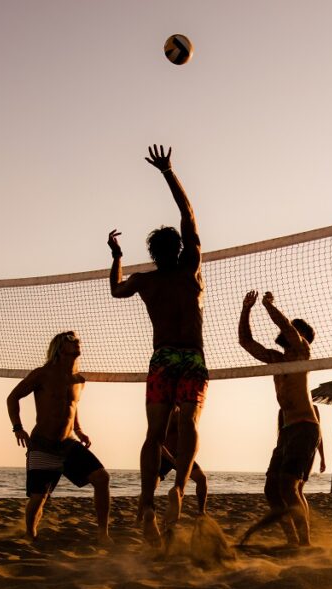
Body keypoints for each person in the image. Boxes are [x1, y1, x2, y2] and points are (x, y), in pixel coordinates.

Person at [107, 144, 206, 545]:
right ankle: (179, 488)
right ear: (179, 248)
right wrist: (168, 172)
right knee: (189, 423)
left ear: (152, 253)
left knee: (154, 434)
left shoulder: (145, 280)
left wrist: (117, 255)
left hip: (163, 358)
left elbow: (116, 290)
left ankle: (146, 502)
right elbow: (188, 214)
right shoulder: (190, 267)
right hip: (192, 356)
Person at [6, 331, 112, 543]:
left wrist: (79, 430)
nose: (76, 342)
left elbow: (72, 407)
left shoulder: (79, 380)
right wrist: (17, 428)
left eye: (77, 340)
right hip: (43, 444)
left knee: (102, 478)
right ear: (59, 348)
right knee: (39, 497)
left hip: (68, 444)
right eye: (70, 340)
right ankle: (30, 533)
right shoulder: (42, 374)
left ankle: (103, 534)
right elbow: (13, 397)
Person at [237, 290, 319, 547]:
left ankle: (304, 543)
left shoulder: (302, 352)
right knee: (272, 490)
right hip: (286, 430)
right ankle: (292, 540)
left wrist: (268, 305)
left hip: (305, 426)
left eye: (293, 329)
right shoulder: (276, 359)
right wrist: (246, 309)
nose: (286, 330)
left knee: (288, 486)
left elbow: (286, 327)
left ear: (301, 336)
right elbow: (245, 341)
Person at [158, 406, 209, 515]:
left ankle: (201, 512)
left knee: (202, 479)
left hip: (181, 456)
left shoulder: (187, 413)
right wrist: (172, 459)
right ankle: (146, 509)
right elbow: (159, 442)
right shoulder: (169, 414)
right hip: (166, 456)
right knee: (152, 483)